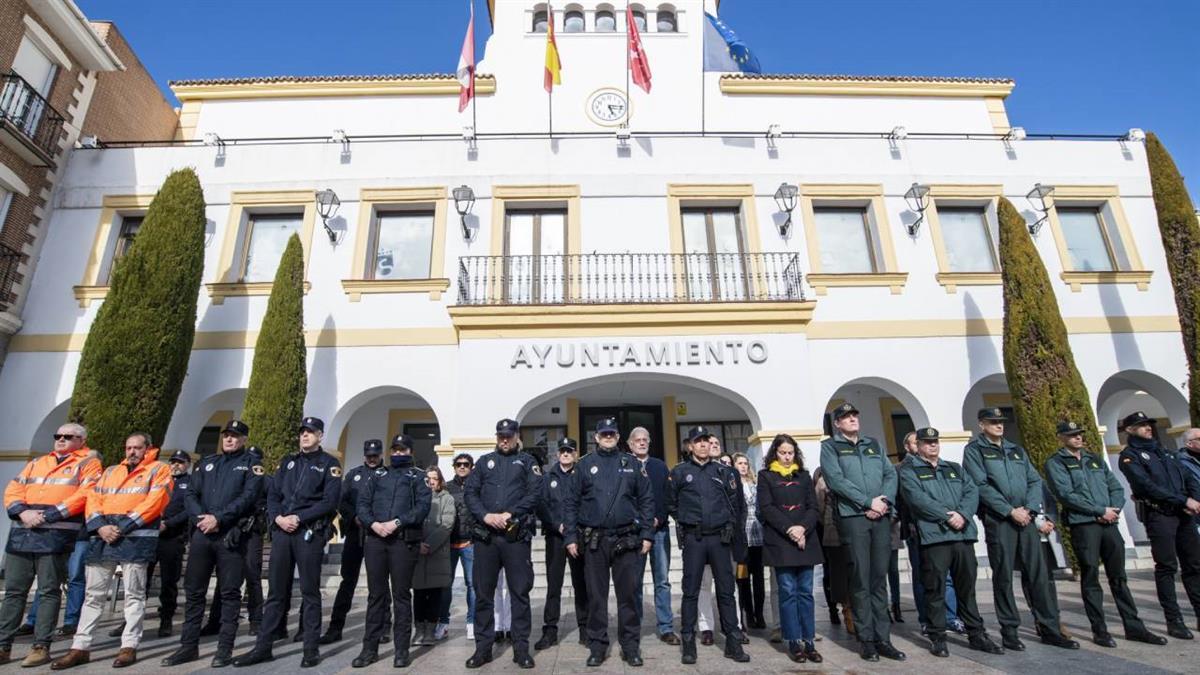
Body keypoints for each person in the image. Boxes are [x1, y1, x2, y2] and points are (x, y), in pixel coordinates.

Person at [50, 432, 172, 670]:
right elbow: (94, 498)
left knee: (134, 595)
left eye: (137, 448)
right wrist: (101, 526)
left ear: (148, 449)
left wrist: (123, 526)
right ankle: (80, 647)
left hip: (135, 540)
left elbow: (155, 501)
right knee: (93, 596)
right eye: (128, 448)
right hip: (103, 539)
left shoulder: (159, 470)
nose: (132, 452)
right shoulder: (110, 471)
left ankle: (129, 646)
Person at [963, 407, 1078, 651]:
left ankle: (1049, 628)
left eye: (1000, 421)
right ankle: (1010, 630)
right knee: (1004, 577)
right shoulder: (975, 450)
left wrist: (1029, 510)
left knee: (1038, 575)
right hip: (1000, 520)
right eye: (993, 422)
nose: (999, 425)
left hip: (1026, 518)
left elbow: (1034, 480)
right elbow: (980, 484)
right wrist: (1009, 510)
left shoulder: (1016, 450)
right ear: (981, 424)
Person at [1045, 420, 1166, 648]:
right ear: (1061, 438)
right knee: (1091, 578)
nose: (1078, 438)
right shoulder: (1056, 462)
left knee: (1119, 578)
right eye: (1072, 435)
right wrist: (1099, 510)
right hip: (1084, 525)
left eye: (1079, 434)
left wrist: (1113, 510)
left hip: (1109, 524)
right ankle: (1099, 630)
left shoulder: (1094, 460)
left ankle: (1134, 627)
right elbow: (1065, 494)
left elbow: (1116, 488)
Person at [233, 416, 341, 668]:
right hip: (283, 532)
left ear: (320, 436)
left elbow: (329, 502)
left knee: (310, 592)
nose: (305, 435)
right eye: (302, 431)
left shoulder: (329, 464)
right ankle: (263, 647)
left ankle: (310, 648)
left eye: (310, 432)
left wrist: (298, 516)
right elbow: (273, 495)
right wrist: (279, 518)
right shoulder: (288, 462)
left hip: (308, 534)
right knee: (276, 592)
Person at [161, 421, 264, 667]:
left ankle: (224, 649)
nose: (229, 439)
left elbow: (248, 497)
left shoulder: (252, 465)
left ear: (244, 439)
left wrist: (219, 518)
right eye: (226, 435)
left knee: (229, 594)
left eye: (235, 436)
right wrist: (201, 519)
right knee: (195, 592)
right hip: (202, 535)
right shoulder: (207, 463)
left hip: (230, 537)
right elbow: (190, 495)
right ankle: (188, 646)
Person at [0, 423, 101, 667]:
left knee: (48, 591)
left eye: (68, 436)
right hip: (23, 534)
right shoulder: (38, 462)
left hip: (55, 536)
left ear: (81, 440)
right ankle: (3, 646)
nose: (61, 440)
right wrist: (22, 513)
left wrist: (48, 516)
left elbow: (84, 494)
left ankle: (41, 646)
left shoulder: (87, 463)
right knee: (14, 591)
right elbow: (14, 489)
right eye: (58, 436)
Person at [898, 427, 1003, 658]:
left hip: (962, 536)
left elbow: (971, 492)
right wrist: (947, 516)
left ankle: (976, 634)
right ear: (919, 446)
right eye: (926, 442)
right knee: (935, 590)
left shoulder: (954, 468)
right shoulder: (909, 472)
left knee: (967, 589)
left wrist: (962, 515)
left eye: (935, 441)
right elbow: (918, 500)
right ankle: (938, 637)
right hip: (935, 538)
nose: (932, 445)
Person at [563, 418, 655, 667]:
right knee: (596, 597)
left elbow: (646, 499)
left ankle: (630, 646)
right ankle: (597, 646)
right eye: (603, 433)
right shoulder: (584, 466)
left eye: (611, 433)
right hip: (595, 541)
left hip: (627, 540)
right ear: (596, 437)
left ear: (617, 435)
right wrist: (570, 536)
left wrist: (647, 534)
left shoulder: (631, 463)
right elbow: (570, 503)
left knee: (628, 597)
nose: (608, 436)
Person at [819, 402, 904, 662]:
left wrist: (884, 502)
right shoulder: (830, 447)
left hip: (880, 516)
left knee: (879, 579)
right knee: (860, 579)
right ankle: (866, 639)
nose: (853, 419)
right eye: (846, 416)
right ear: (837, 423)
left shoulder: (874, 444)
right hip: (854, 518)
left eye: (855, 414)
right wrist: (868, 503)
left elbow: (891, 475)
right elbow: (835, 480)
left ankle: (883, 639)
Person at [463, 418, 542, 669]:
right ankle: (483, 649)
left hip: (515, 537)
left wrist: (511, 513)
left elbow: (535, 492)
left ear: (517, 436)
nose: (505, 440)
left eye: (509, 435)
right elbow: (470, 493)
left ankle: (521, 650)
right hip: (486, 538)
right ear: (496, 437)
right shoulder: (485, 462)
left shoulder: (528, 462)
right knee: (483, 594)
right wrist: (486, 515)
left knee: (520, 593)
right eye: (501, 436)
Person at [667, 426, 750, 665]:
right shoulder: (680, 472)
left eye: (706, 441)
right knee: (691, 591)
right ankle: (688, 645)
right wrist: (686, 520)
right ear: (690, 446)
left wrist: (732, 531)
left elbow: (737, 505)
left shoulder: (726, 472)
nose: (703, 445)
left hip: (720, 539)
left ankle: (733, 643)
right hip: (694, 539)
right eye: (697, 441)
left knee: (726, 592)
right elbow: (670, 504)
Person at [350, 434, 431, 668]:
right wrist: (374, 524)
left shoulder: (418, 476)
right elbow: (362, 504)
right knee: (376, 596)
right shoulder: (378, 475)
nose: (397, 453)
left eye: (402, 450)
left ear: (410, 452)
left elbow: (422, 508)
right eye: (394, 449)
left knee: (401, 596)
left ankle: (402, 651)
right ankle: (369, 649)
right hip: (375, 540)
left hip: (402, 542)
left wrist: (396, 523)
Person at [1118, 411, 1200, 638]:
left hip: (1183, 514)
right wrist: (1183, 500)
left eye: (1148, 424)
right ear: (1130, 430)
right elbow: (1145, 486)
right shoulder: (1129, 456)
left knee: (1194, 566)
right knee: (1167, 567)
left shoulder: (1165, 453)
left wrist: (1192, 500)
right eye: (1141, 425)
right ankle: (1174, 621)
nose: (1148, 428)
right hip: (1160, 515)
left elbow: (1188, 478)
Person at [756, 434, 823, 663]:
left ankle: (810, 640)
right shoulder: (765, 476)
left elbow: (813, 507)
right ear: (775, 453)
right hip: (781, 541)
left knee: (806, 592)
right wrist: (790, 529)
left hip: (806, 540)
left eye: (790, 453)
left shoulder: (803, 476)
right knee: (787, 592)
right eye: (783, 452)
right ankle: (794, 641)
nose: (787, 457)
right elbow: (766, 508)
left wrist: (802, 528)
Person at [897, 431, 964, 636]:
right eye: (916, 443)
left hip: (944, 530)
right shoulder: (902, 469)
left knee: (948, 577)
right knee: (922, 577)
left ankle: (951, 617)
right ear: (909, 447)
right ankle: (926, 619)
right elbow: (910, 500)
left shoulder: (945, 467)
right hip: (917, 529)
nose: (924, 446)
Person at [322, 438, 387, 645]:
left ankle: (383, 627)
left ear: (381, 455)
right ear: (364, 455)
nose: (372, 459)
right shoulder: (353, 475)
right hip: (355, 533)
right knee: (347, 581)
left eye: (375, 455)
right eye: (369, 455)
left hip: (377, 534)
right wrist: (355, 517)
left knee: (379, 584)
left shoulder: (388, 475)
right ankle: (335, 627)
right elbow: (343, 501)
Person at [535, 438, 587, 649]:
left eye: (570, 451)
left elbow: (587, 503)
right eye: (562, 451)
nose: (566, 454)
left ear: (575, 454)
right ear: (557, 455)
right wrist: (557, 525)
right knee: (553, 585)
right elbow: (542, 506)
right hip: (555, 538)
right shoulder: (547, 478)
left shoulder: (582, 476)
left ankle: (585, 628)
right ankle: (550, 630)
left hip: (577, 537)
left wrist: (573, 527)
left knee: (581, 584)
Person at [627, 427, 678, 645]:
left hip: (659, 531)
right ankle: (634, 626)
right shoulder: (625, 466)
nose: (641, 443)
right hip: (635, 533)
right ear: (630, 444)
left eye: (645, 440)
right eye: (637, 440)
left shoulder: (659, 466)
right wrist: (639, 521)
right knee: (634, 581)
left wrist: (659, 517)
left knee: (662, 581)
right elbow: (624, 499)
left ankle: (666, 627)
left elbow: (668, 497)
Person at [412, 464, 456, 646]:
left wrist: (429, 545)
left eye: (434, 478)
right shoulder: (415, 498)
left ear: (440, 481)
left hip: (437, 553)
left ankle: (430, 630)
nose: (430, 482)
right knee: (419, 594)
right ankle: (419, 630)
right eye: (427, 479)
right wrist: (417, 543)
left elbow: (447, 523)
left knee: (435, 594)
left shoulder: (447, 499)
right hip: (417, 553)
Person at [151, 451, 193, 637]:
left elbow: (188, 510)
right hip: (151, 535)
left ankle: (166, 619)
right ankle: (129, 620)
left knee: (169, 582)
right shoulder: (160, 479)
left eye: (180, 463)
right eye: (173, 462)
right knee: (140, 580)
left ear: (188, 465)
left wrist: (168, 524)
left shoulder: (190, 483)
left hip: (173, 537)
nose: (176, 465)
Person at [812, 465, 852, 633]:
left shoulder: (849, 473)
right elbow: (819, 510)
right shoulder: (822, 481)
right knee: (834, 575)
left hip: (851, 532)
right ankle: (840, 610)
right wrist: (828, 523)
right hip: (832, 534)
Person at [443, 453, 477, 640]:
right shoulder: (447, 487)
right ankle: (443, 622)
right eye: (459, 464)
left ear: (471, 466)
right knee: (444, 585)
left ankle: (471, 622)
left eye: (466, 464)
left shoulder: (477, 486)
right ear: (454, 466)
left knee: (472, 585)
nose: (462, 467)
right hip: (449, 543)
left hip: (469, 543)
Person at [732, 453, 766, 631]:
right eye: (739, 463)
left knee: (759, 578)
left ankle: (759, 613)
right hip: (742, 539)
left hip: (758, 537)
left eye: (745, 463)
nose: (743, 466)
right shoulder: (733, 486)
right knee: (743, 579)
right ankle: (748, 614)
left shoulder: (756, 486)